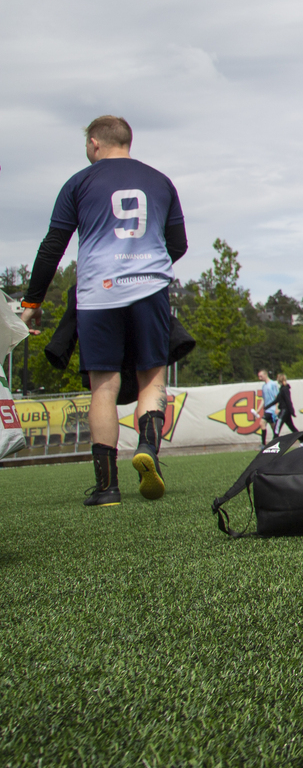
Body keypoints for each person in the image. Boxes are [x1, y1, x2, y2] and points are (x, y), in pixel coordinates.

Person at [20, 116, 187, 506]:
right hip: (149, 289)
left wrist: (33, 302)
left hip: (98, 293)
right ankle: (147, 447)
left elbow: (52, 247)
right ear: (128, 142)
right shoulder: (161, 181)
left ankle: (107, 487)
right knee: (151, 378)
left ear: (94, 143)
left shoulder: (79, 182)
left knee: (104, 387)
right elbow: (177, 244)